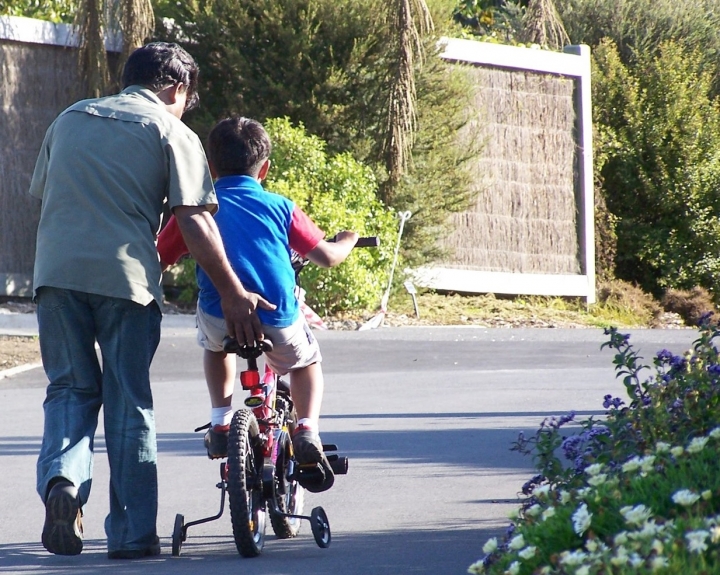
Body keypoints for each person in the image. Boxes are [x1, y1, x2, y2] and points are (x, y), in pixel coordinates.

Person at [29, 43, 273, 559]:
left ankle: (62, 484)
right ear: (176, 88)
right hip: (127, 283)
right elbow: (195, 220)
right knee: (127, 398)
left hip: (55, 276)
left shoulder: (68, 119)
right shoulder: (171, 131)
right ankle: (133, 533)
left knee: (70, 389)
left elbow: (46, 196)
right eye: (190, 96)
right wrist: (232, 292)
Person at [157, 116, 358, 493]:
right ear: (264, 168)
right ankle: (306, 430)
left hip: (220, 314)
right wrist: (347, 239)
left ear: (210, 166)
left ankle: (220, 420)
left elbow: (161, 256)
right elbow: (327, 256)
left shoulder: (197, 209)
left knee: (215, 347)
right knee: (306, 361)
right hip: (276, 315)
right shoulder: (280, 206)